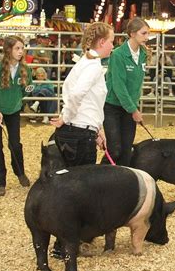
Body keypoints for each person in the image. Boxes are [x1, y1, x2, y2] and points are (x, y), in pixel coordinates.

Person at [51, 22, 114, 167]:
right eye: (111, 42)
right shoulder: (93, 66)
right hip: (80, 135)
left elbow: (87, 102)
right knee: (82, 184)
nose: (112, 46)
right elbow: (76, 94)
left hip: (79, 130)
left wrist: (96, 130)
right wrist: (65, 117)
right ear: (102, 42)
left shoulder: (86, 62)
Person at [0, 36, 33, 197]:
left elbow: (26, 90)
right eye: (17, 48)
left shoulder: (25, 69)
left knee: (15, 144)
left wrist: (27, 90)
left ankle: (20, 172)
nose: (21, 51)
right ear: (8, 50)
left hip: (14, 111)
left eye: (22, 48)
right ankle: (0, 182)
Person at [103, 17, 149, 166]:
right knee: (115, 149)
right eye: (144, 33)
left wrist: (133, 107)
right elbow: (118, 86)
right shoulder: (118, 55)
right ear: (132, 34)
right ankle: (98, 175)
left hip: (129, 107)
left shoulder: (143, 54)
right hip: (113, 107)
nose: (147, 38)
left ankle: (120, 184)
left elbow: (136, 84)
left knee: (126, 151)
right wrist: (133, 109)